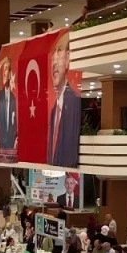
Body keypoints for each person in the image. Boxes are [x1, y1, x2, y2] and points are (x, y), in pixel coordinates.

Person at [46, 32, 81, 167]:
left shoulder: (74, 102)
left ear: (68, 59)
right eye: (52, 55)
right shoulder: (54, 109)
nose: (54, 62)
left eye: (59, 52)